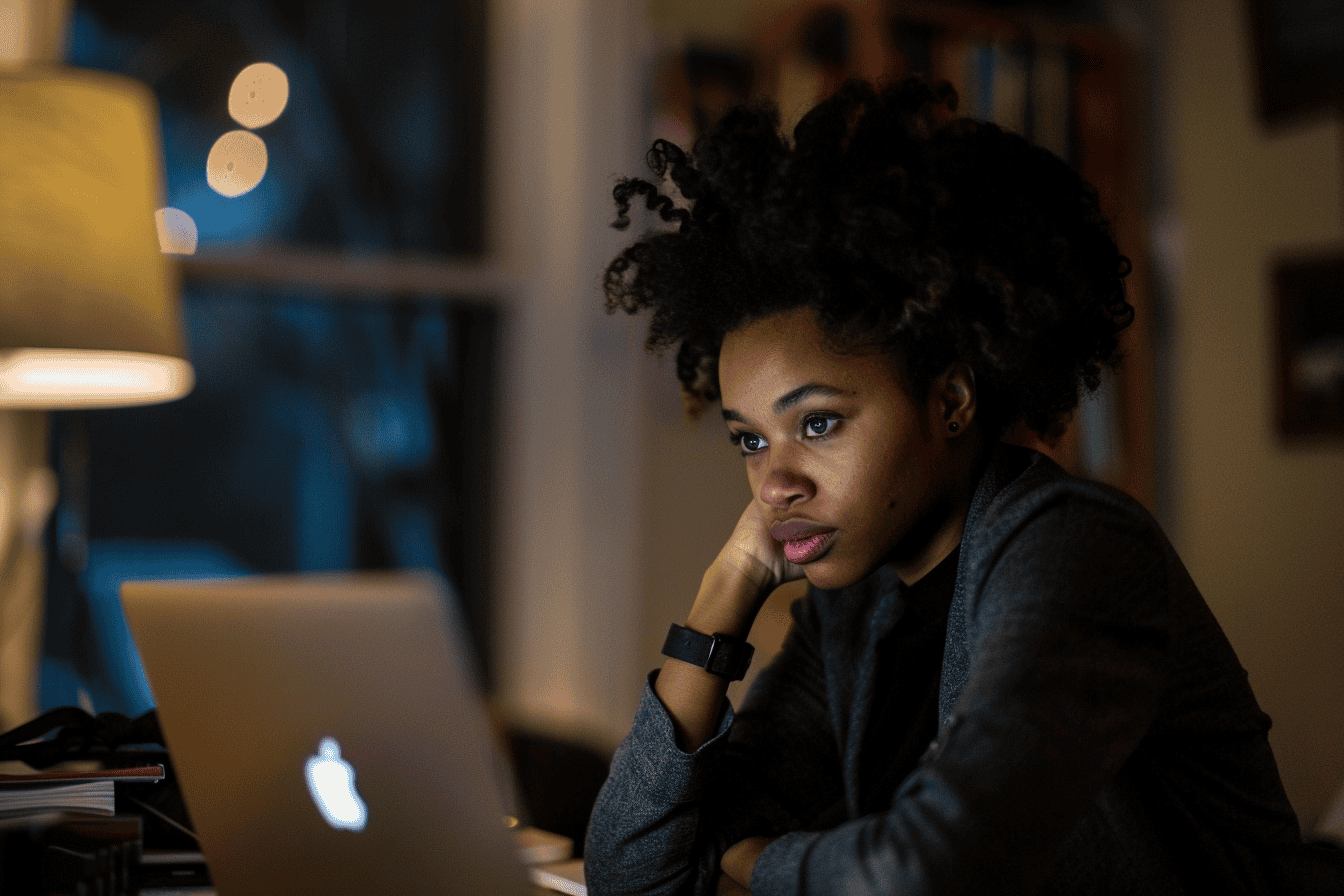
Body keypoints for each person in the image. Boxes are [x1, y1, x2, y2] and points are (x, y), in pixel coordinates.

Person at [584, 77, 1340, 895]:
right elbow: (631, 874)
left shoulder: (1076, 548)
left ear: (950, 400)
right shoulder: (854, 610)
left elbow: (927, 871)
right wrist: (723, 595)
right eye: (750, 440)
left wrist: (752, 859)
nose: (776, 483)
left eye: (820, 424)